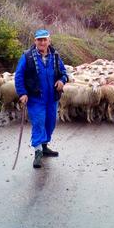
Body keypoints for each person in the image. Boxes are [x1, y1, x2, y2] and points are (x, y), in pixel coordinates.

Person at [14, 29, 68, 168]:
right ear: (35, 41)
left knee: (50, 123)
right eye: (39, 40)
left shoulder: (55, 56)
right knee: (38, 123)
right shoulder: (27, 56)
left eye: (45, 39)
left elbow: (64, 72)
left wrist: (62, 80)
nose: (42, 42)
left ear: (49, 41)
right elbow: (19, 76)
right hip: (35, 98)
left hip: (52, 97)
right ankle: (38, 152)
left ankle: (44, 147)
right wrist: (22, 93)